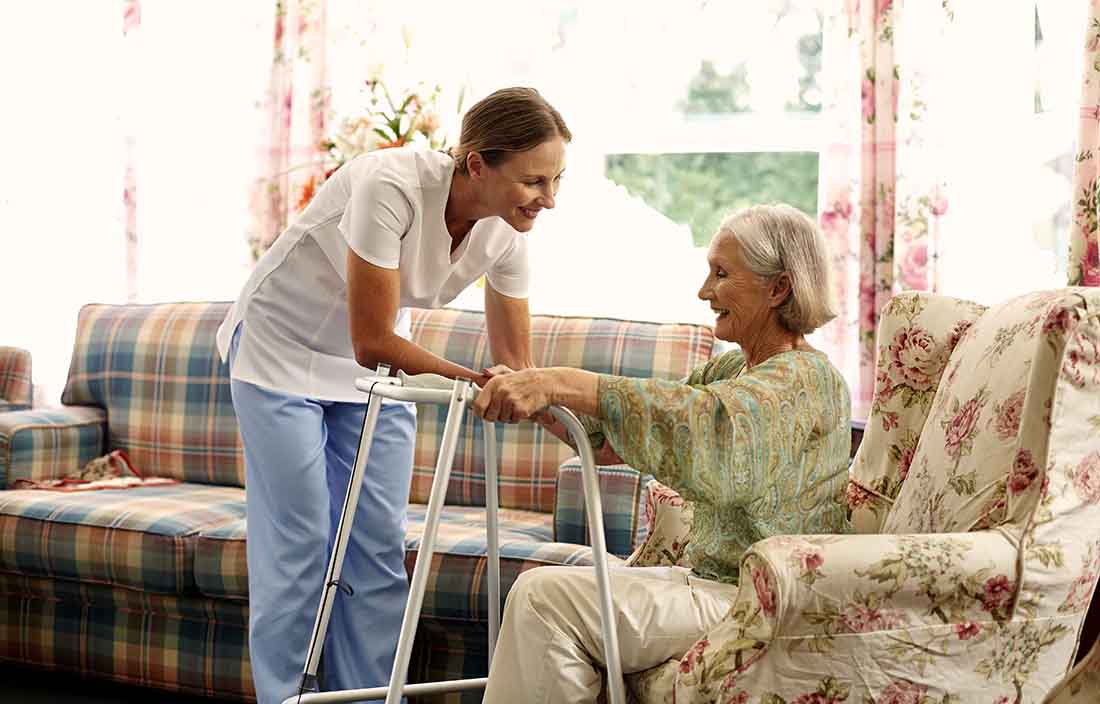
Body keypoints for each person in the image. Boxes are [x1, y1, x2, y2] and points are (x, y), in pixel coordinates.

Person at [215, 87, 570, 704]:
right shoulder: (392, 185)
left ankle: (372, 699)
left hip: (370, 376)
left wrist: (572, 418)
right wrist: (468, 380)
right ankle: (288, 697)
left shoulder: (509, 233)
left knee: (377, 543)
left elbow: (517, 365)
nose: (550, 199)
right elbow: (373, 339)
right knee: (300, 539)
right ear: (478, 164)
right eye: (535, 180)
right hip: (280, 349)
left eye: (558, 179)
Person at [472, 203, 851, 703]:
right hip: (712, 583)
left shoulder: (806, 378)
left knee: (545, 600)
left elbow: (708, 430)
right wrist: (543, 401)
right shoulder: (731, 370)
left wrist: (561, 381)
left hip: (760, 600)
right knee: (546, 594)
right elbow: (619, 435)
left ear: (778, 288)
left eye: (721, 274)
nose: (704, 291)